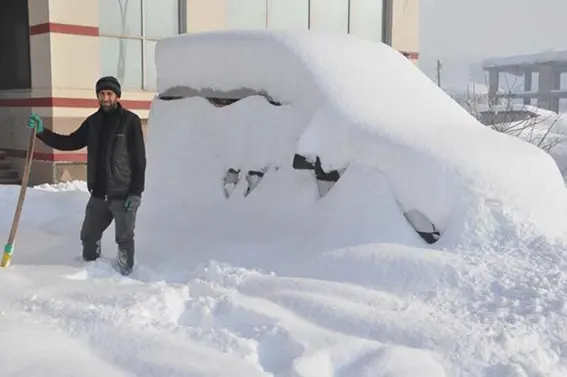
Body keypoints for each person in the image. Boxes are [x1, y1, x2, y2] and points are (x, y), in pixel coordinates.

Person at [27, 76, 146, 275]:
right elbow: (70, 142)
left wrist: (136, 192)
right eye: (102, 94)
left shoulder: (129, 121)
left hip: (123, 193)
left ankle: (126, 275)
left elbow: (139, 159)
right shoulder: (93, 122)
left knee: (124, 237)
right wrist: (42, 132)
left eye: (109, 94)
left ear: (117, 96)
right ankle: (89, 268)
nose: (105, 98)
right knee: (88, 236)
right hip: (99, 194)